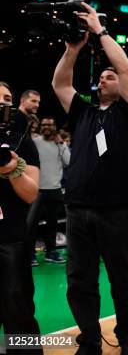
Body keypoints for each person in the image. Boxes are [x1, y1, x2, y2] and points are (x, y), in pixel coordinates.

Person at [51, 2, 128, 355]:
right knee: (79, 281)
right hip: (77, 210)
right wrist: (72, 50)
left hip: (116, 211)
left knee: (121, 280)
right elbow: (60, 83)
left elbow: (126, 68)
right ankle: (89, 340)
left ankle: (127, 338)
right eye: (101, 75)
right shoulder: (86, 112)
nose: (104, 77)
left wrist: (101, 32)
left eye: (110, 75)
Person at [0, 81, 43, 355]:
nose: (2, 103)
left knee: (19, 316)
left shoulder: (21, 141)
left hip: (9, 241)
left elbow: (30, 194)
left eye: (7, 98)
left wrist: (12, 170)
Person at [28, 116, 70, 266]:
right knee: (32, 225)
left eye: (50, 125)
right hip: (36, 189)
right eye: (44, 124)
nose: (47, 127)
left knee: (52, 225)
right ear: (41, 126)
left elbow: (68, 161)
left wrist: (61, 144)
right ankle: (30, 255)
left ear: (54, 127)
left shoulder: (60, 143)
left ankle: (50, 253)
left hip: (54, 190)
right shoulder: (34, 142)